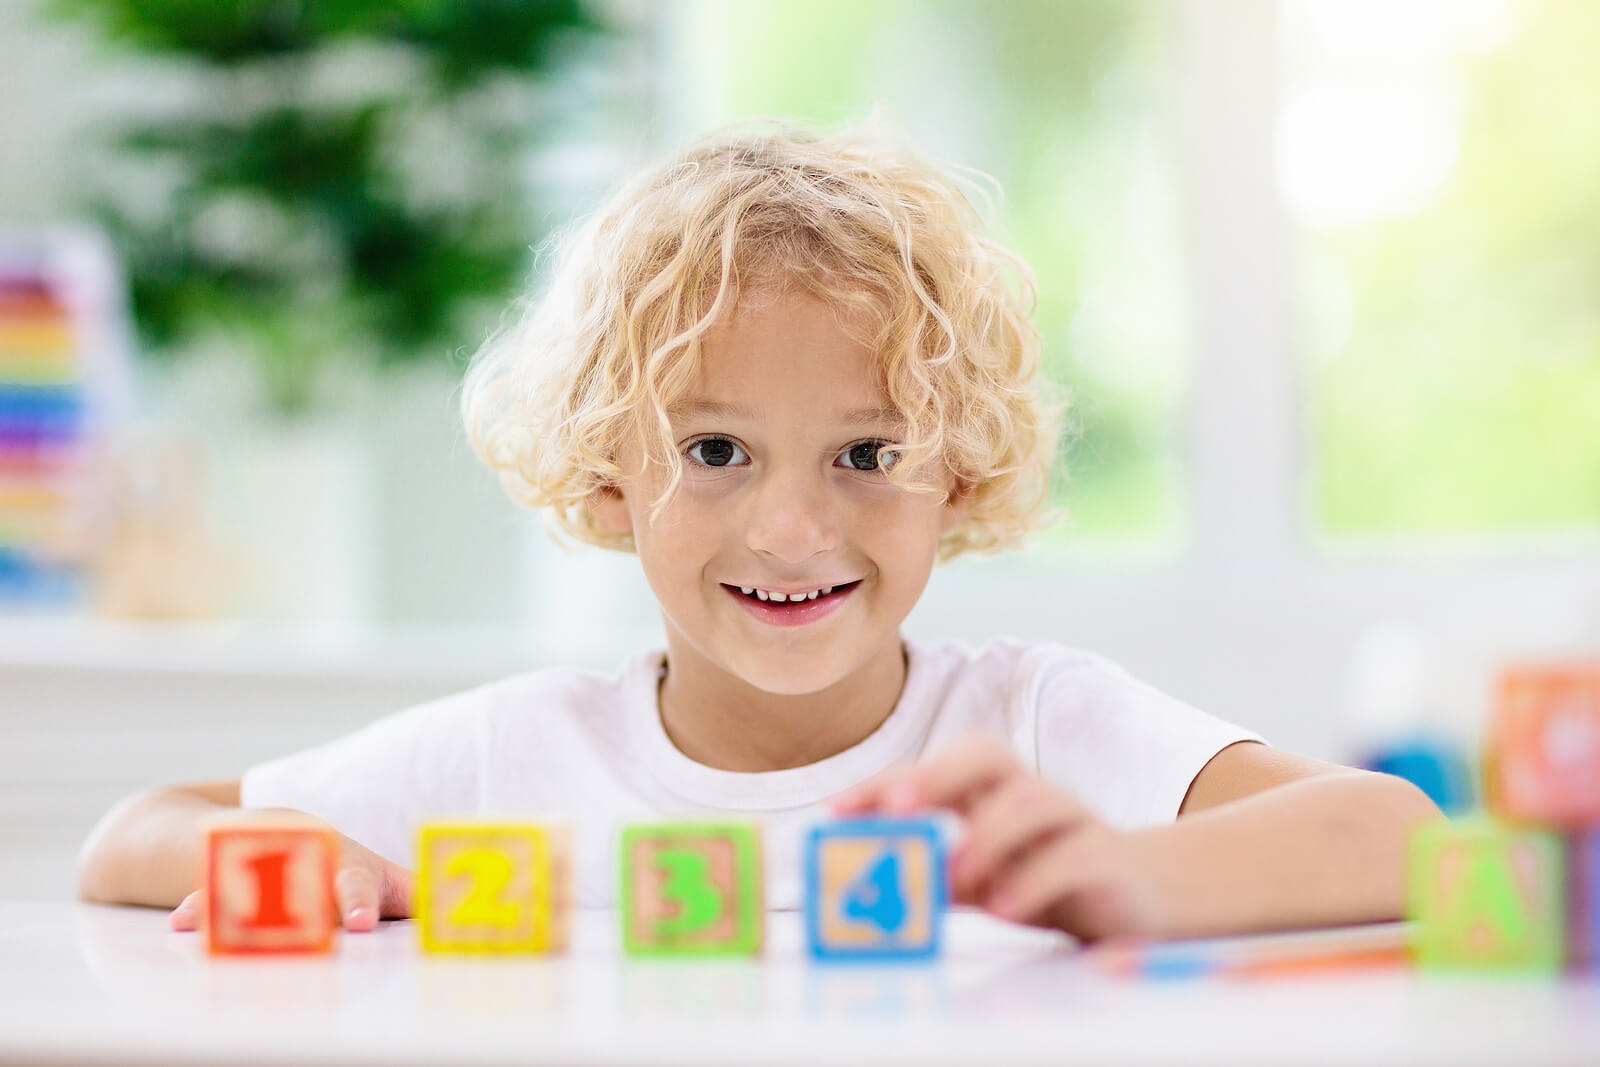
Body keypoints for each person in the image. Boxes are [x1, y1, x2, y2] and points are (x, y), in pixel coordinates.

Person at [77, 121, 1440, 943]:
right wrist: (310, 865)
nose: (793, 526)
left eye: (868, 452)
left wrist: (1127, 873)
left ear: (956, 480)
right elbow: (135, 830)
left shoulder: (1034, 734)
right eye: (716, 452)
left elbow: (1399, 836)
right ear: (610, 482)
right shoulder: (512, 755)